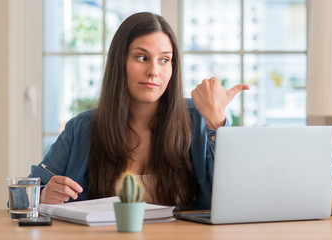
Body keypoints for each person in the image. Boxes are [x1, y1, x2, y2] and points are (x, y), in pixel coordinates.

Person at [28, 12, 249, 210]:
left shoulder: (198, 120)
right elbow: (23, 197)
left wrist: (217, 122)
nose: (154, 71)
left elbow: (237, 198)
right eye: (142, 58)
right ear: (120, 61)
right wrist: (43, 195)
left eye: (164, 60)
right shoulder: (83, 128)